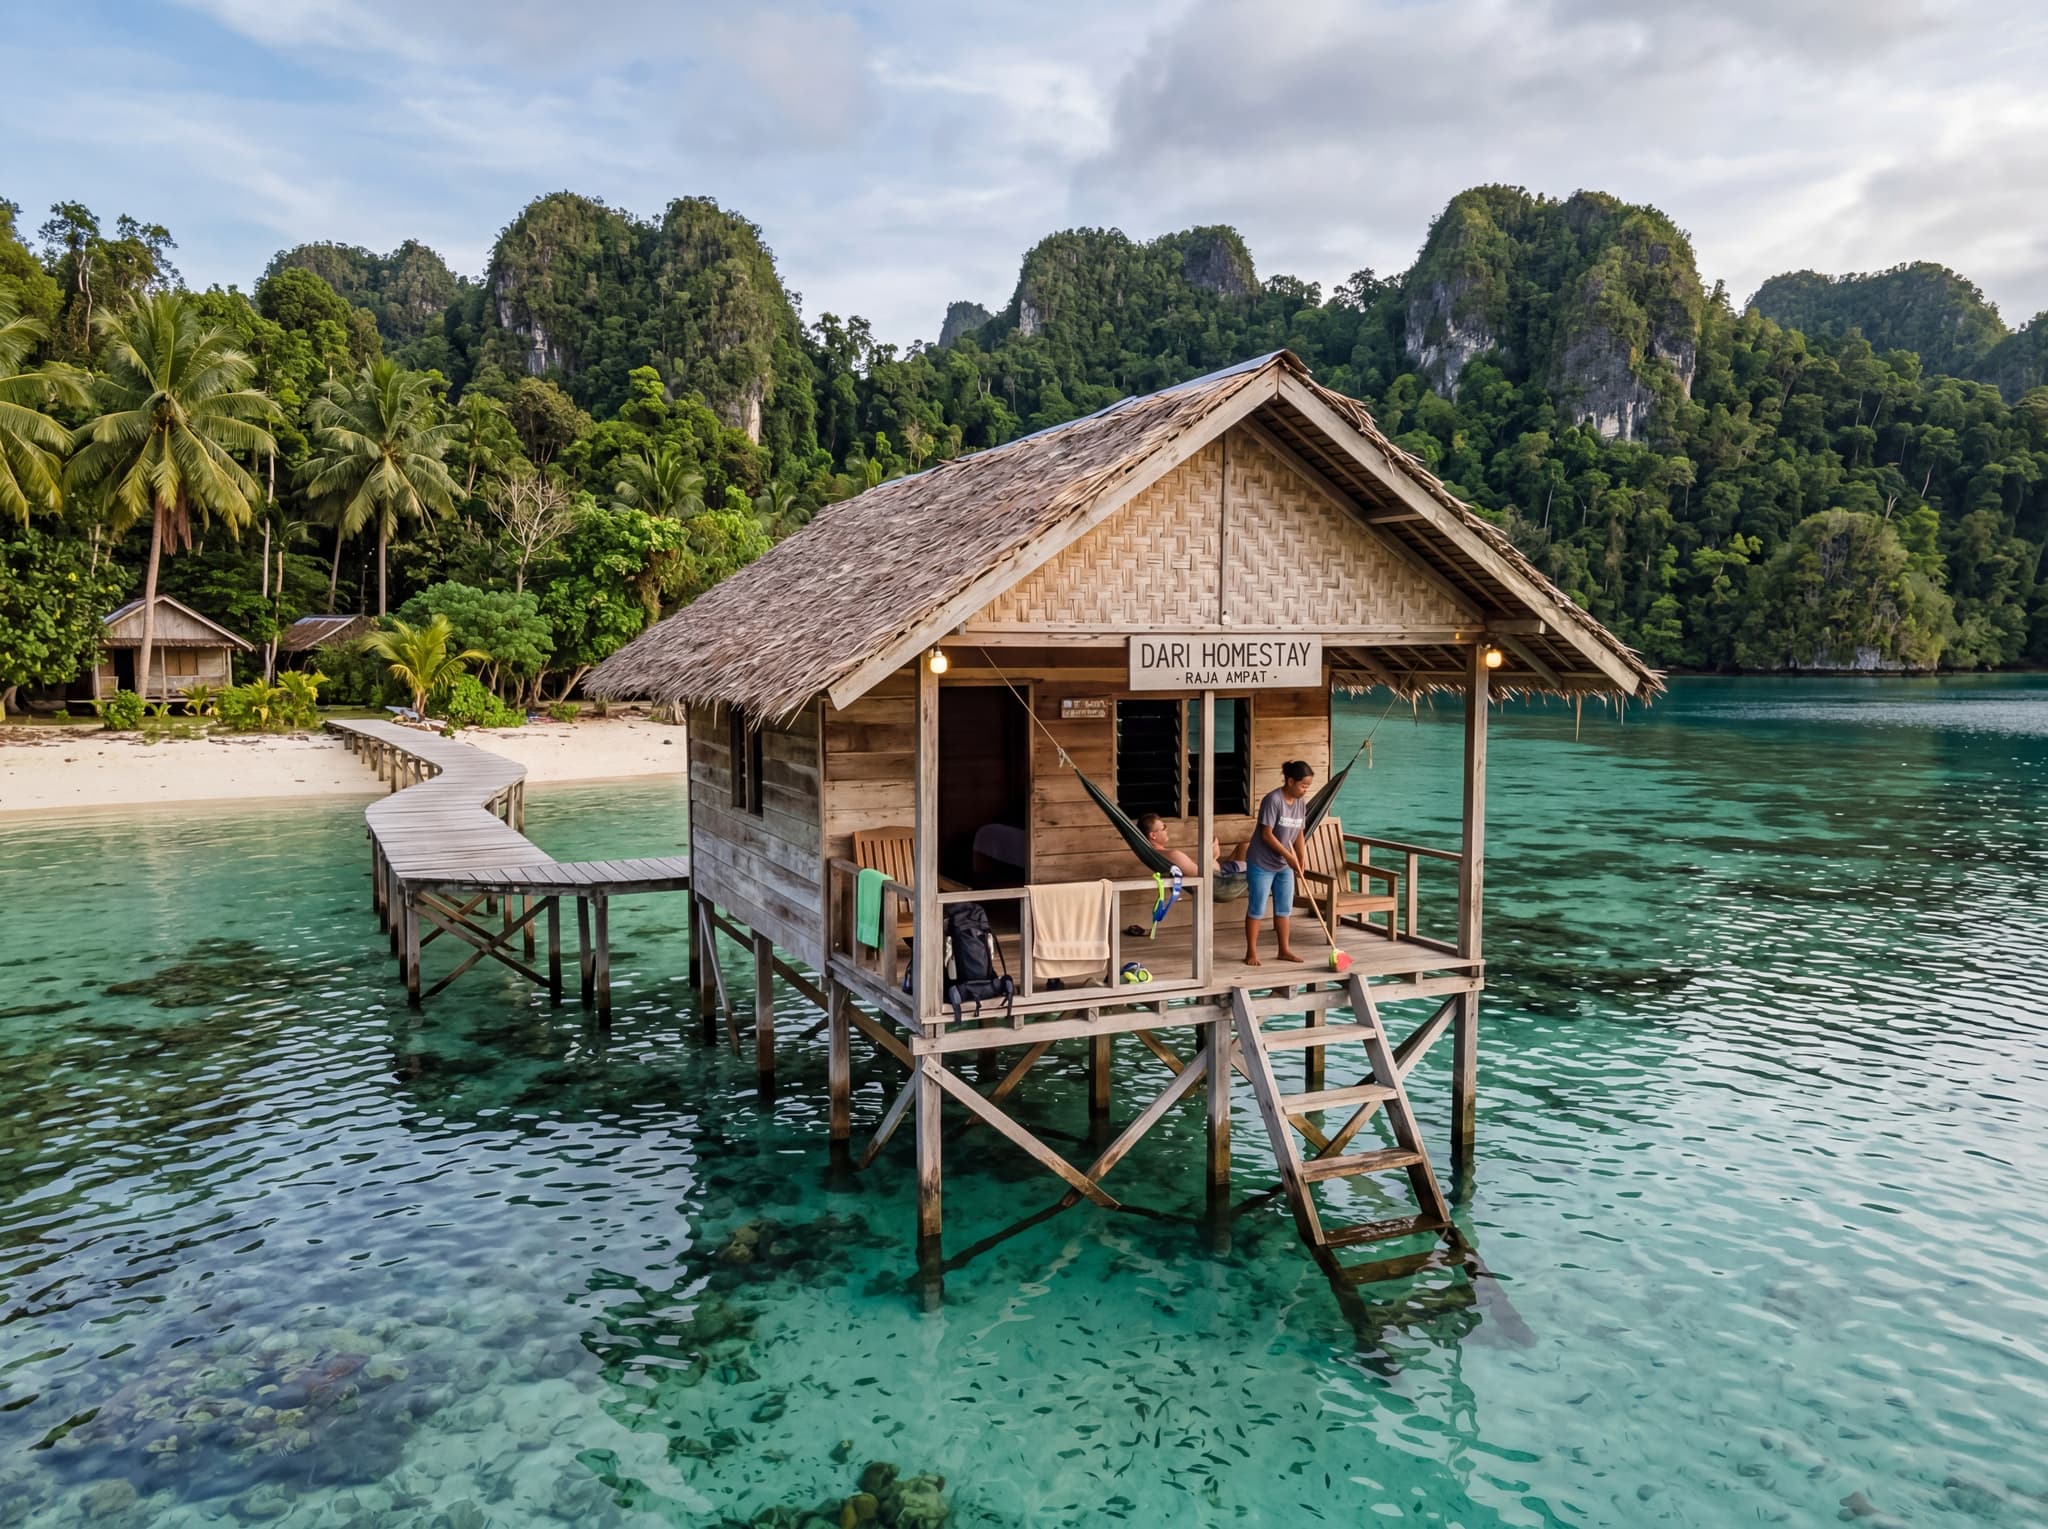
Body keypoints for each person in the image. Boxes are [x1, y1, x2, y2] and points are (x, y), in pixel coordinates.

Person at [1245, 759, 1314, 965]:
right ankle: (1251, 953)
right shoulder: (1273, 800)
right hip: (1261, 863)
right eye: (1303, 786)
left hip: (1283, 865)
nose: (1305, 791)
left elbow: (1299, 832)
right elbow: (1266, 835)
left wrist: (1301, 856)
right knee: (1256, 908)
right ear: (1290, 781)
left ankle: (1284, 950)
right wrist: (1289, 856)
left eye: (1308, 787)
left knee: (1284, 908)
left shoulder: (1300, 803)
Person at [1137, 814, 1248, 880]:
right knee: (1252, 854)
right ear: (1153, 835)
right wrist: (1213, 856)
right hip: (1226, 873)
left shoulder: (1160, 855)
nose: (1167, 830)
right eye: (1163, 827)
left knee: (1243, 846)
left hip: (1223, 867)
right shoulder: (1173, 855)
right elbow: (1206, 873)